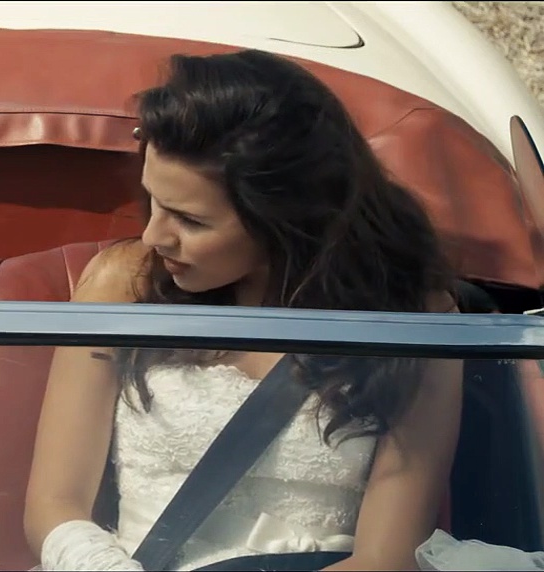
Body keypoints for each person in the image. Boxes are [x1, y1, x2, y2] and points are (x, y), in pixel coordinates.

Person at [24, 49, 463, 571]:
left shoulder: (412, 316)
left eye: (190, 220)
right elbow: (54, 504)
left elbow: (386, 558)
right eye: (153, 201)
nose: (153, 236)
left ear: (283, 219)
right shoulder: (124, 287)